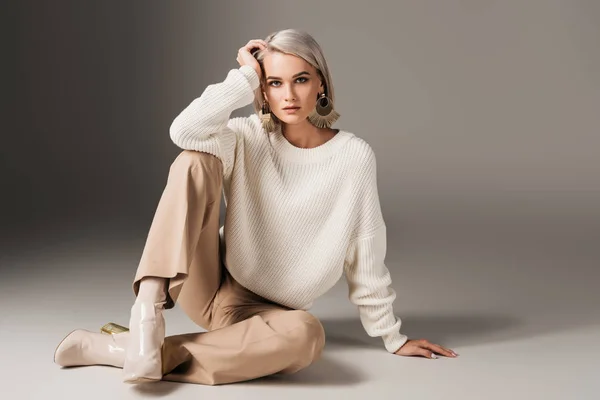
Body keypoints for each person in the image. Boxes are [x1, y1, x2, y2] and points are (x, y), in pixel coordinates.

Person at [53, 28, 458, 386]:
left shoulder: (353, 156)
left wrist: (392, 336)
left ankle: (118, 350)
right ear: (262, 91)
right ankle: (147, 314)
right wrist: (245, 75)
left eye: (300, 80)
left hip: (272, 316)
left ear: (321, 84)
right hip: (210, 283)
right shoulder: (246, 136)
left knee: (308, 336)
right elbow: (184, 131)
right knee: (194, 160)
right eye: (274, 83)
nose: (289, 95)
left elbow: (365, 250)